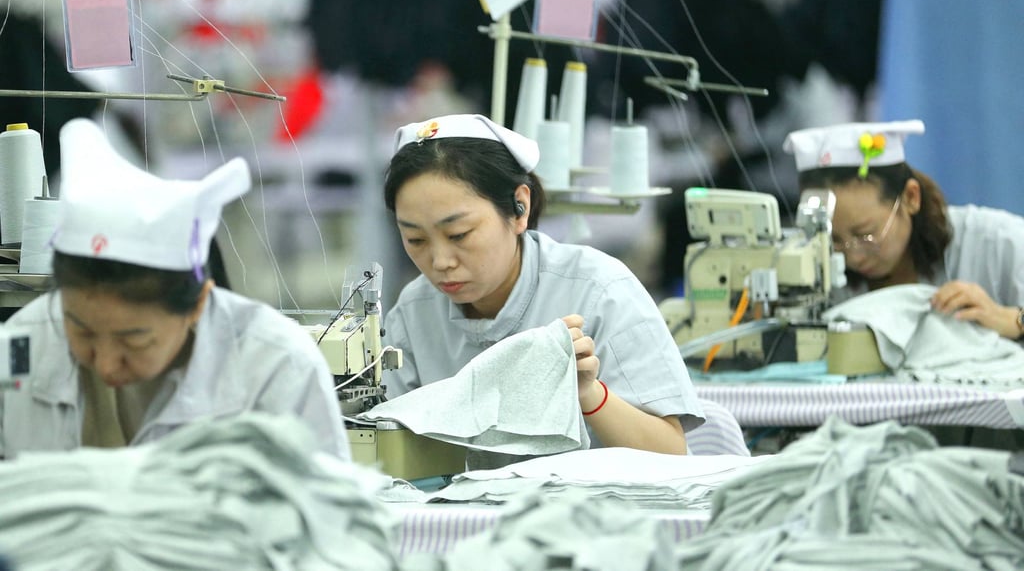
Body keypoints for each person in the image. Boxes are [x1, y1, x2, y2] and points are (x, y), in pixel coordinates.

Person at [0, 118, 350, 459]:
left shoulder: (278, 369)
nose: (106, 366)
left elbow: (327, 513)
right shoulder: (20, 346)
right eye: (81, 332)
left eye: (133, 339)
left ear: (197, 304)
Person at [381, 113, 704, 455]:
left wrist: (589, 395)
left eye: (459, 234)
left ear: (520, 208)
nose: (440, 261)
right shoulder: (413, 315)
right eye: (415, 239)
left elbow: (671, 453)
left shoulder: (599, 293)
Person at [784, 119, 1024, 340]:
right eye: (834, 240)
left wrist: (1012, 320)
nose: (853, 256)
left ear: (911, 197)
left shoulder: (998, 242)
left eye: (865, 234)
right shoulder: (814, 268)